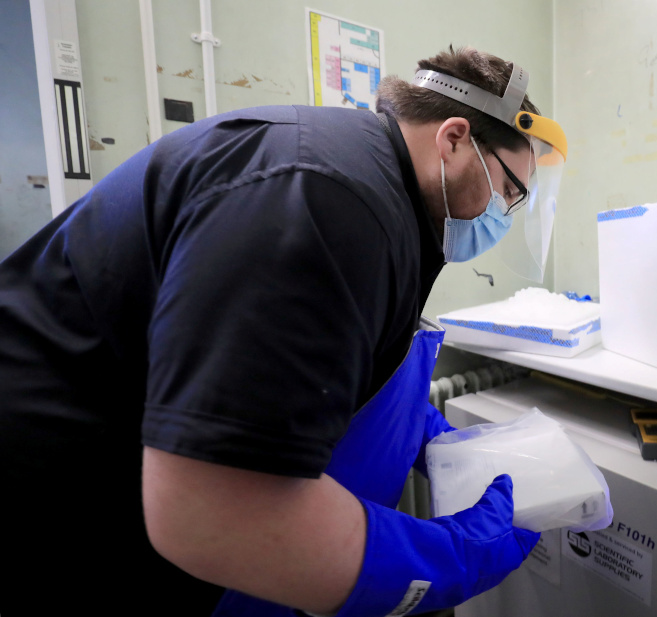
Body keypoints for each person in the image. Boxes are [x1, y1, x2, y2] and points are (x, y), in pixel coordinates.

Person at [0, 45, 568, 616]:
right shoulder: (327, 199)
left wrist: (429, 433)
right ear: (452, 139)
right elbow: (214, 513)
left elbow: (317, 366)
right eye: (509, 190)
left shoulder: (374, 187)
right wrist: (453, 560)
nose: (503, 211)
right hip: (52, 508)